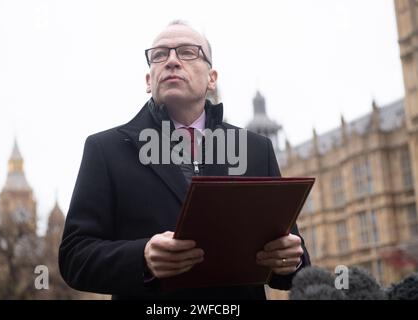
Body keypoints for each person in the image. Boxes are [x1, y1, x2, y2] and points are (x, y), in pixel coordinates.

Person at [59, 20, 310, 300]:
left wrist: (292, 260)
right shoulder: (106, 149)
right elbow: (74, 257)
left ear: (212, 78)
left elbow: (294, 266)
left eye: (188, 52)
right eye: (159, 55)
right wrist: (142, 257)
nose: (172, 61)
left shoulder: (256, 149)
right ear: (148, 79)